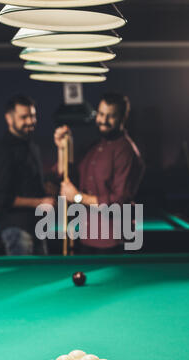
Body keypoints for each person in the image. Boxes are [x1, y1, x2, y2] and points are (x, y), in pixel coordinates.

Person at [54, 92, 145, 254]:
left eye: (111, 116)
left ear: (123, 118)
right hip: (87, 237)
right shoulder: (95, 147)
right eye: (101, 114)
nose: (103, 120)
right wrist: (62, 148)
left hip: (113, 242)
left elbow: (118, 202)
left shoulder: (126, 151)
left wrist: (77, 197)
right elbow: (68, 178)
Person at [0, 94, 55, 255]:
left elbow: (28, 183)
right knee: (24, 279)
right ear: (9, 119)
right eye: (24, 117)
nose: (30, 121)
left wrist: (45, 188)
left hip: (37, 227)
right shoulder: (4, 150)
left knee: (42, 278)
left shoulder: (31, 146)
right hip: (17, 230)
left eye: (32, 116)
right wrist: (40, 202)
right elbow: (1, 198)